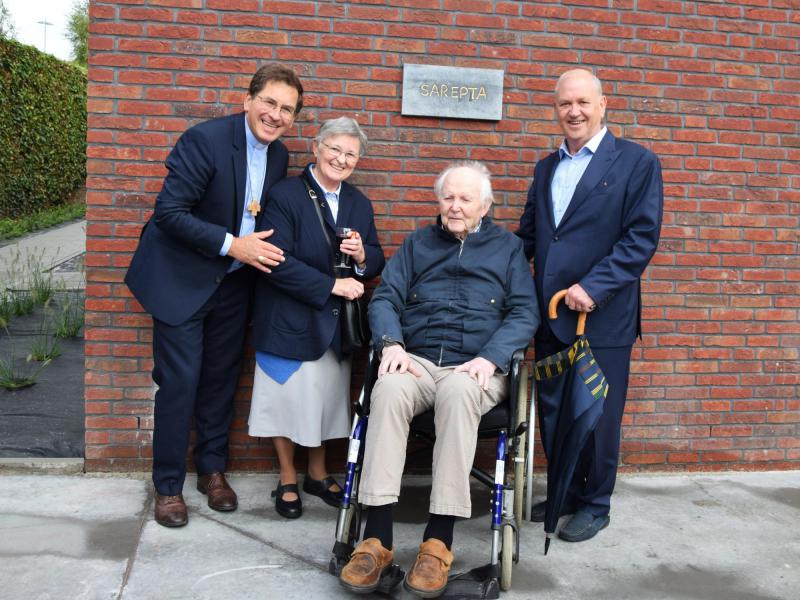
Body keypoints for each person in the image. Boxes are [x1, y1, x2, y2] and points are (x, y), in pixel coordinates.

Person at [338, 161, 539, 599]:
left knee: (459, 391)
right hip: (418, 361)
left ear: (485, 206)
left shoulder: (507, 249)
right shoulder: (417, 244)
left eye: (466, 198)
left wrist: (491, 357)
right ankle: (376, 540)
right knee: (387, 388)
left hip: (476, 368)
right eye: (448, 196)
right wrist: (391, 345)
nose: (455, 205)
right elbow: (386, 296)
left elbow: (525, 311)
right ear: (438, 200)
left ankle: (438, 543)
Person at [125, 64, 303, 528]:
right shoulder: (204, 140)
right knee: (180, 382)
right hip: (181, 280)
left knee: (221, 380)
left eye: (286, 109)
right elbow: (169, 212)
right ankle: (167, 486)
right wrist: (232, 244)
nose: (275, 114)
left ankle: (211, 471)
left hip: (234, 285)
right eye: (269, 102)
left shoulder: (280, 156)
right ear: (248, 100)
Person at [517, 68, 663, 543]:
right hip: (551, 314)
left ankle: (596, 504)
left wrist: (594, 287)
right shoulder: (545, 167)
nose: (573, 112)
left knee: (598, 417)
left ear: (603, 104)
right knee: (558, 413)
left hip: (601, 316)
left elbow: (640, 238)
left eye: (582, 102)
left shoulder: (637, 162)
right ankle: (565, 493)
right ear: (555, 109)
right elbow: (531, 237)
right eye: (564, 104)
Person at [248, 117, 385, 519]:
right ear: (316, 147)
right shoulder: (285, 195)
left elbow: (375, 256)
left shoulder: (359, 202)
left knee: (323, 402)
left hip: (334, 325)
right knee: (286, 402)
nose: (341, 159)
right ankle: (288, 476)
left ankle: (318, 473)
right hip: (289, 315)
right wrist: (331, 286)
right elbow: (274, 260)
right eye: (335, 149)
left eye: (351, 154)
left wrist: (362, 256)